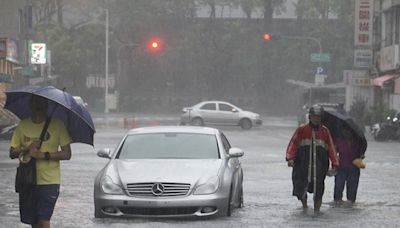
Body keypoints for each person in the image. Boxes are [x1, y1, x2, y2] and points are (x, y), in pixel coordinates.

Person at [9, 95, 72, 228]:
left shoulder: (57, 125)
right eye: (35, 103)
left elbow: (67, 153)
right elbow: (12, 153)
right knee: (34, 221)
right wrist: (27, 147)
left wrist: (43, 155)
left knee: (44, 219)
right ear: (30, 105)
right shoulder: (23, 125)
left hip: (49, 182)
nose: (38, 106)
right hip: (28, 180)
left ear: (47, 106)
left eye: (41, 103)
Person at [286, 105, 339, 212]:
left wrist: (335, 164)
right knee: (301, 187)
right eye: (314, 116)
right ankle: (305, 207)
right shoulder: (302, 130)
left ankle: (317, 211)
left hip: (320, 166)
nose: (316, 119)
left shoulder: (325, 132)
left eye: (318, 117)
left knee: (319, 189)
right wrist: (290, 158)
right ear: (310, 117)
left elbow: (331, 149)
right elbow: (293, 144)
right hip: (302, 165)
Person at [333, 126, 364, 204]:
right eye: (345, 130)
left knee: (352, 193)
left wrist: (361, 157)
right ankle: (337, 205)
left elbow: (361, 153)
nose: (347, 132)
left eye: (349, 130)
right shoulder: (339, 141)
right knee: (338, 188)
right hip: (341, 168)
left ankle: (350, 207)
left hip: (354, 169)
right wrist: (334, 166)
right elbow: (333, 153)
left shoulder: (358, 142)